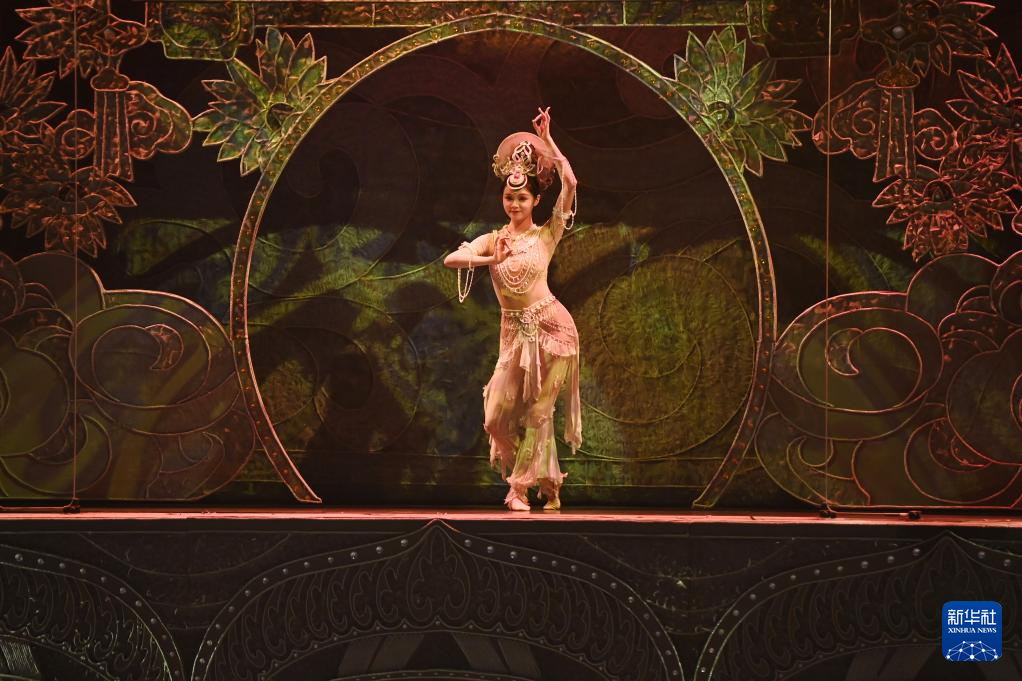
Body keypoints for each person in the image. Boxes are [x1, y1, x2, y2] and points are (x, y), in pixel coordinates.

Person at [443, 107, 581, 512]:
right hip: (514, 332)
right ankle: (548, 481)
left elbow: (571, 182)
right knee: (495, 418)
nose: (514, 204)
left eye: (522, 198)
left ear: (536, 200)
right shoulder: (494, 239)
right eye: (509, 197)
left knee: (539, 411)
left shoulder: (547, 233)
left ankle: (518, 490)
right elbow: (452, 259)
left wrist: (548, 140)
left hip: (554, 330)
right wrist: (491, 259)